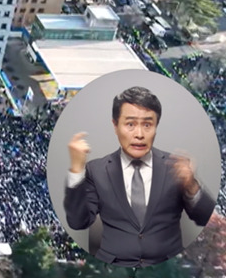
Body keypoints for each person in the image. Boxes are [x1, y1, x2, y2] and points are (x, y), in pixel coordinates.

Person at [63, 86, 216, 267]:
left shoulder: (175, 167)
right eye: (130, 124)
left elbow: (205, 218)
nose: (139, 134)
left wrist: (191, 186)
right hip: (113, 269)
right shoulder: (96, 170)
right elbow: (78, 222)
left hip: (168, 268)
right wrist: (76, 170)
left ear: (156, 127)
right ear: (115, 125)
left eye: (147, 125)